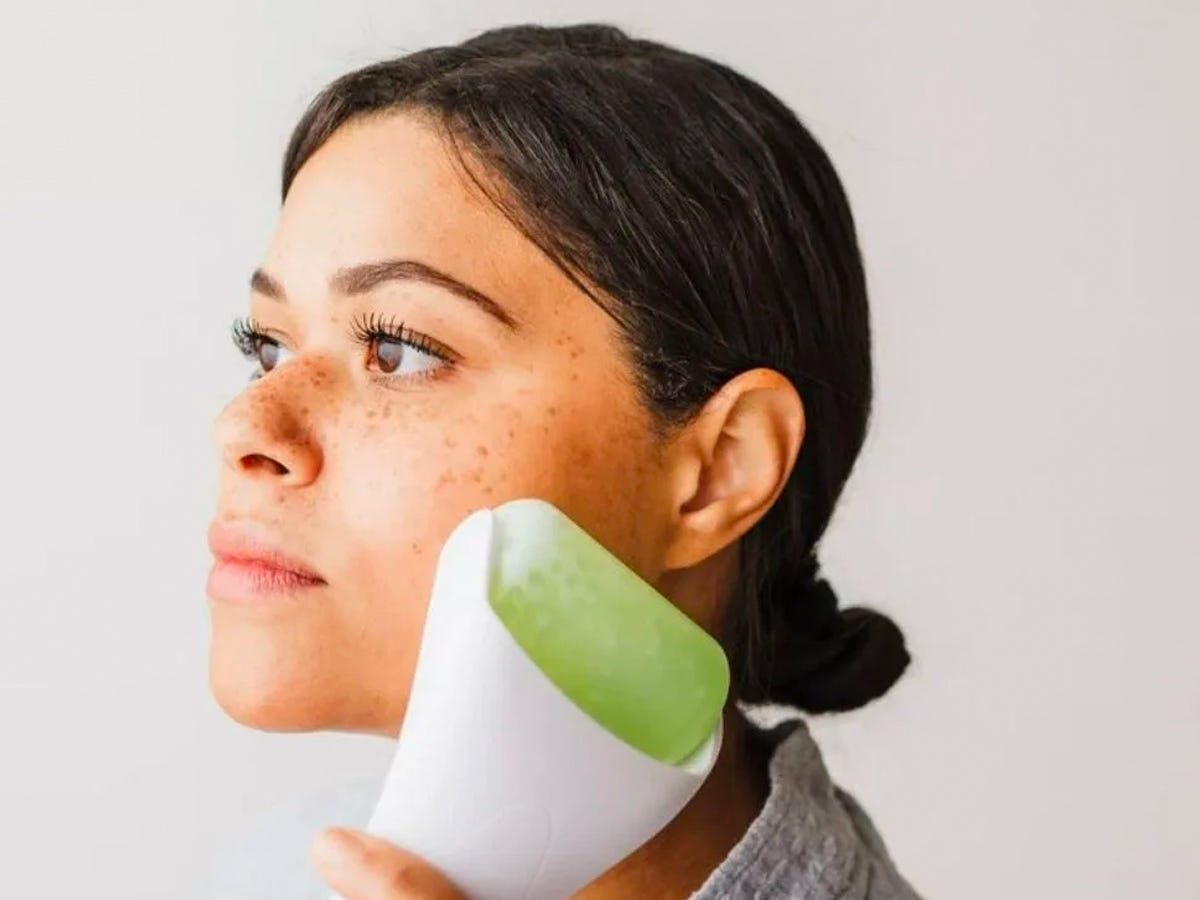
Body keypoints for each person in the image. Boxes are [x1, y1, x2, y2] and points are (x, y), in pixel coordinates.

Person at [206, 22, 924, 899]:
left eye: (398, 349)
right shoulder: (278, 866)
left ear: (718, 470)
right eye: (268, 347)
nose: (245, 426)